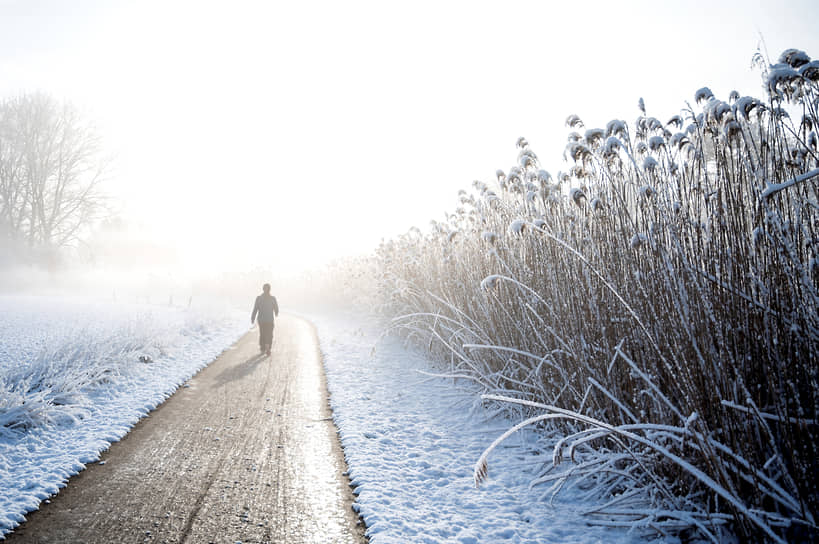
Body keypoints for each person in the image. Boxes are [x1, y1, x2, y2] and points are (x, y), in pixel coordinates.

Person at [251, 283, 279, 356]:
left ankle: (263, 348)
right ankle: (268, 346)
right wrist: (276, 312)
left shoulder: (258, 298)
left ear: (263, 289)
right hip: (269, 320)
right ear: (270, 289)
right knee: (269, 334)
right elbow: (276, 308)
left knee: (262, 334)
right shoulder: (273, 298)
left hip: (261, 320)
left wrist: (253, 317)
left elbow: (255, 309)